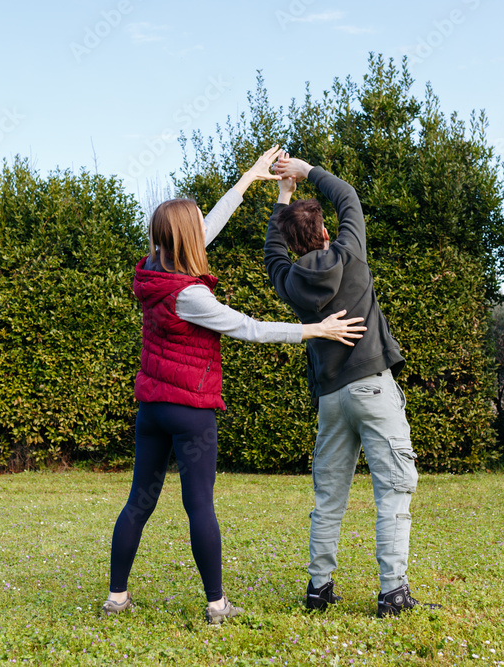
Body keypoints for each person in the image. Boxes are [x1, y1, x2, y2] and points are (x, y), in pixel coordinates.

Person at [103, 146, 366, 625]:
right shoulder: (193, 295)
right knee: (198, 504)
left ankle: (117, 596)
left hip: (151, 407)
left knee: (139, 500)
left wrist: (249, 179)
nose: (204, 226)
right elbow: (250, 327)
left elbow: (207, 228)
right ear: (186, 237)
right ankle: (216, 604)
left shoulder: (152, 270)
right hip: (189, 410)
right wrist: (315, 330)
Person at [264, 154, 441, 617]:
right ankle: (392, 592)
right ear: (326, 233)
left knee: (329, 497)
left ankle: (319, 588)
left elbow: (272, 256)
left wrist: (281, 196)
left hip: (331, 399)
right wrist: (305, 172)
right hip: (373, 389)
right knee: (394, 490)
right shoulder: (350, 254)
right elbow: (348, 197)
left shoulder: (290, 281)